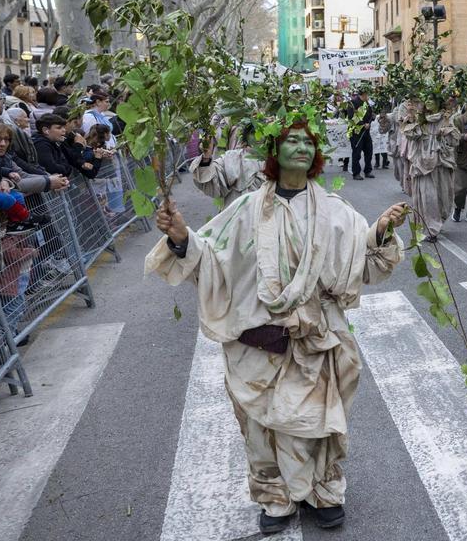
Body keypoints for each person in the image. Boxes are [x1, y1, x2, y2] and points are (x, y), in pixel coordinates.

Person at [148, 122, 406, 534]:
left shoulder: (336, 210)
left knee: (319, 423)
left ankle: (324, 490)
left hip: (315, 340)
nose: (302, 147)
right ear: (274, 150)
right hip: (258, 342)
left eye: (309, 141)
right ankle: (275, 497)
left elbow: (364, 264)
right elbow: (210, 258)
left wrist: (379, 232)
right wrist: (181, 238)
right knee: (260, 426)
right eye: (292, 140)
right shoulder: (245, 209)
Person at [403, 97, 458, 241]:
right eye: (426, 99)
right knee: (428, 197)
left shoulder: (446, 118)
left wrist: (446, 128)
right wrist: (410, 119)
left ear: (438, 102)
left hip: (441, 163)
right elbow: (410, 135)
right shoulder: (420, 119)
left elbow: (454, 141)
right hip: (423, 164)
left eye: (431, 99)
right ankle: (431, 229)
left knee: (443, 197)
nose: (428, 102)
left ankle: (438, 219)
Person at [191, 124, 267, 208]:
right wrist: (206, 157)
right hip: (238, 218)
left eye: (262, 130)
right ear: (246, 137)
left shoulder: (279, 158)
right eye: (253, 132)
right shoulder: (232, 158)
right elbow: (211, 183)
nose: (258, 136)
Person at [345, 87, 375, 181]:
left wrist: (372, 117)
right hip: (356, 132)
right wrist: (362, 124)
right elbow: (351, 117)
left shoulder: (367, 104)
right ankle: (356, 173)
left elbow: (369, 114)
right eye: (367, 95)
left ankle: (368, 170)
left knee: (369, 151)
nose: (368, 97)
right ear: (363, 94)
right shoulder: (352, 103)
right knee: (357, 153)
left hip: (366, 132)